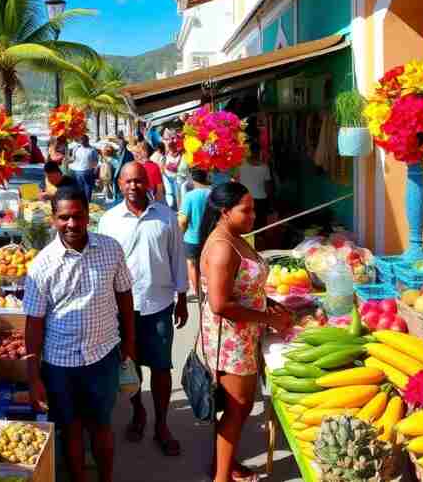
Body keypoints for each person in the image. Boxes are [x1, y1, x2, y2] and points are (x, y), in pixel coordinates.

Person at [24, 184, 135, 482]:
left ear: (88, 216)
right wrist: (34, 378)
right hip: (60, 366)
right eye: (64, 218)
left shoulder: (111, 248)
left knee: (101, 427)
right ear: (53, 219)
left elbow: (125, 296)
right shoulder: (41, 265)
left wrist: (130, 344)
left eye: (77, 216)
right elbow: (33, 324)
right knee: (71, 431)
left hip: (103, 357)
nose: (71, 224)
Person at [200, 183, 294, 482]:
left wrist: (270, 305)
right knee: (237, 410)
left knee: (235, 410)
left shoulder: (235, 237)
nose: (253, 215)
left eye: (253, 208)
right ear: (225, 212)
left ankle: (226, 465)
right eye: (246, 210)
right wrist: (268, 318)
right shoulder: (222, 247)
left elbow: (243, 288)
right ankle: (221, 477)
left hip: (244, 334)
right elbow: (220, 304)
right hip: (230, 341)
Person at [99, 162, 187, 457]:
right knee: (130, 366)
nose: (134, 186)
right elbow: (103, 267)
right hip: (121, 308)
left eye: (139, 181)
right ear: (119, 184)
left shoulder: (165, 216)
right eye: (128, 182)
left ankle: (162, 424)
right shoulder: (109, 220)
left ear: (148, 183)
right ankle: (138, 412)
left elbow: (178, 257)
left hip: (159, 304)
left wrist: (183, 297)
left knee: (162, 368)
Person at [178, 167, 211, 293]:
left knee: (192, 265)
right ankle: (211, 290)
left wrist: (180, 235)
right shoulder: (213, 193)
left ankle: (199, 293)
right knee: (209, 264)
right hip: (210, 237)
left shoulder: (189, 196)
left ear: (192, 179)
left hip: (192, 238)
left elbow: (183, 221)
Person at [235, 144, 274, 225]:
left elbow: (237, 183)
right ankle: (260, 237)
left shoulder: (241, 165)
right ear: (259, 152)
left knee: (246, 224)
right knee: (260, 225)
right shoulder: (265, 167)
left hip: (245, 199)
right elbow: (268, 188)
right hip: (260, 200)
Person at [68, 135, 98, 204]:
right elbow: (95, 161)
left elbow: (72, 159)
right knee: (88, 186)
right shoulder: (92, 150)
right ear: (87, 141)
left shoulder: (76, 148)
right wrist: (95, 170)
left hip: (78, 171)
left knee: (80, 187)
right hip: (87, 170)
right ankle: (87, 202)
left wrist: (67, 161)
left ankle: (81, 201)